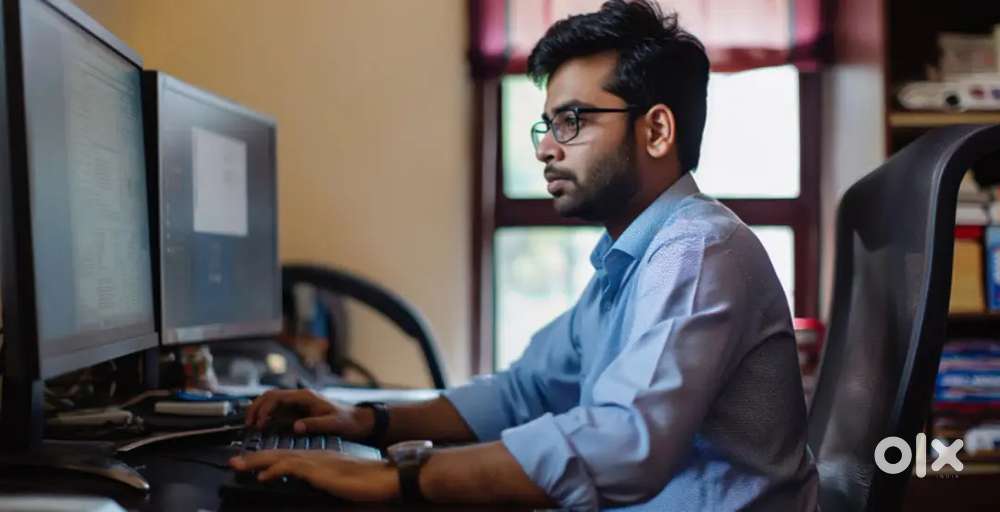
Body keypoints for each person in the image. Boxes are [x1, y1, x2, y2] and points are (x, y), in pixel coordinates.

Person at [230, 1, 818, 509]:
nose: (546, 150)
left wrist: (398, 480)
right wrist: (367, 422)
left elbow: (624, 442)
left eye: (572, 121)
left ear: (657, 132)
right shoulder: (628, 257)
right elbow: (525, 391)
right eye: (546, 125)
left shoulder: (696, 251)